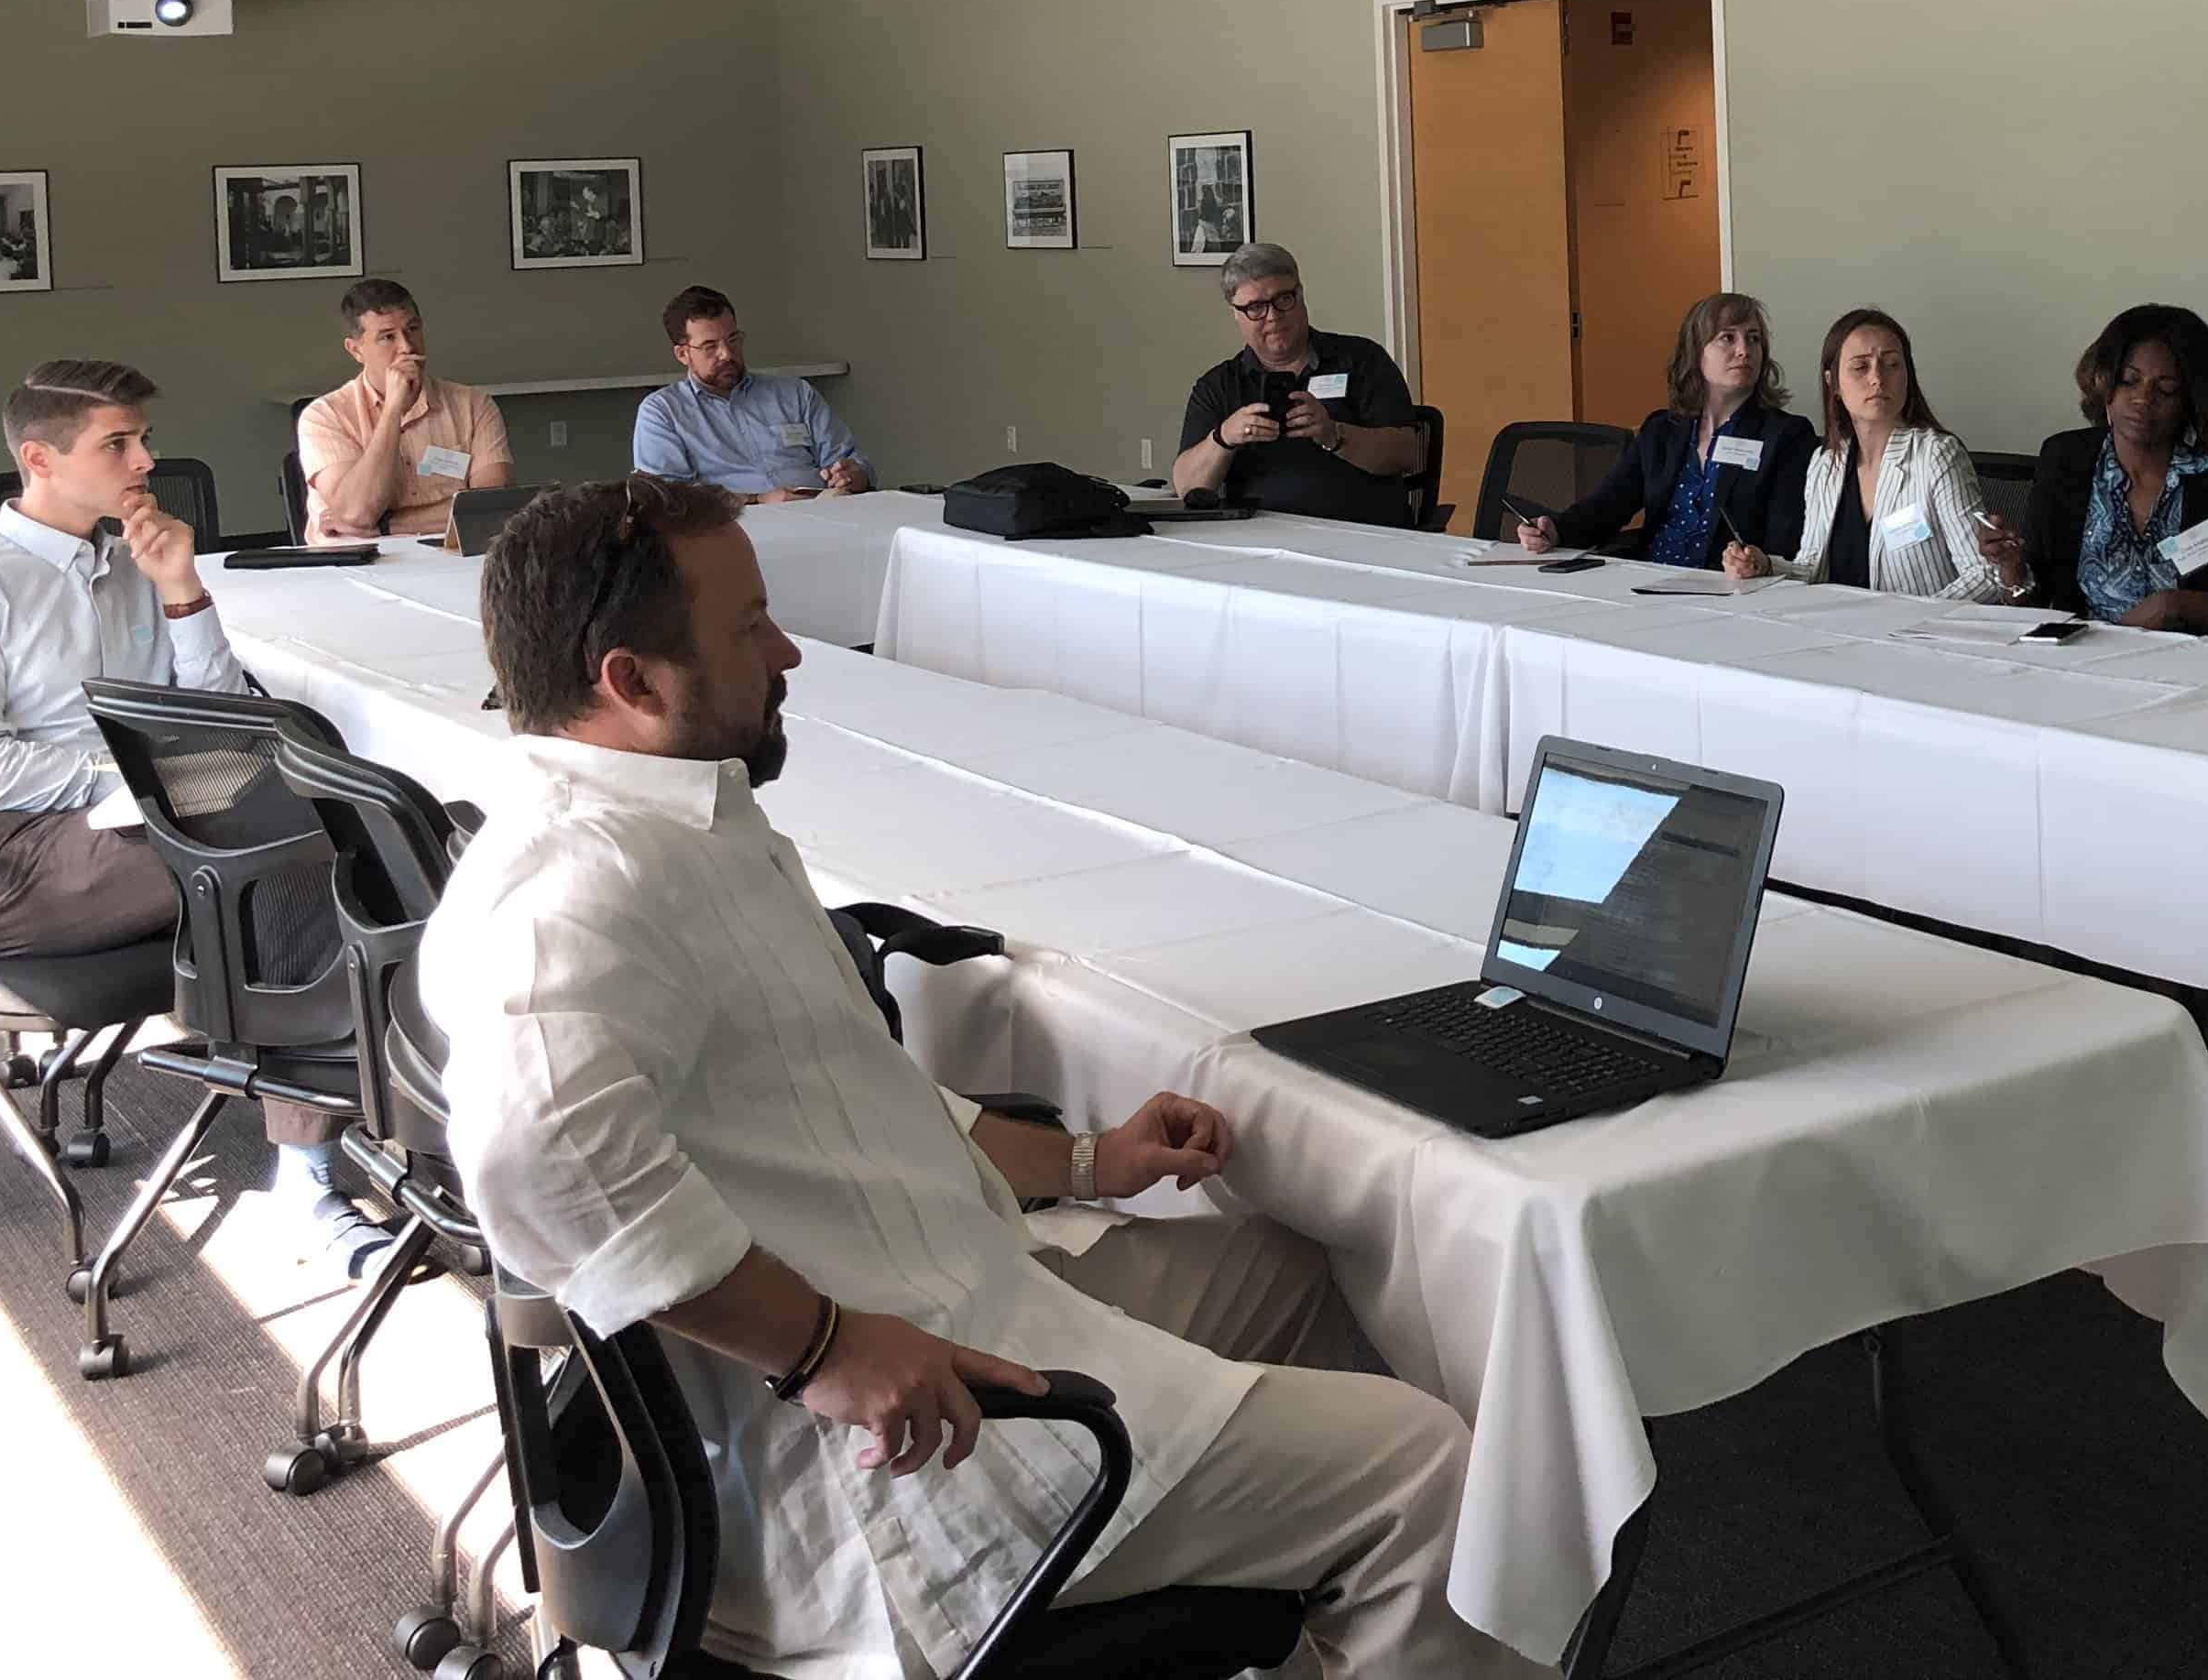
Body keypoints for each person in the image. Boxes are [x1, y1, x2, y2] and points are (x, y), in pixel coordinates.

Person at [421, 479, 1539, 1680]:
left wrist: (1088, 1163)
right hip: (910, 1457)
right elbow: (530, 1156)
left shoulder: (663, 824)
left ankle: (1307, 1606)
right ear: (632, 682)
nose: (789, 651)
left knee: (1312, 1270)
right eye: (750, 628)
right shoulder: (582, 890)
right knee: (1429, 1478)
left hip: (962, 1293)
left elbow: (843, 1104)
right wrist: (825, 1349)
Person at [0, 357, 381, 1260]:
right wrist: (141, 778)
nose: (147, 460)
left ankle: (363, 1107)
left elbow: (215, 717)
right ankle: (308, 1177)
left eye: (143, 439)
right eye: (117, 443)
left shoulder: (131, 566)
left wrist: (181, 589)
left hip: (125, 823)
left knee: (339, 822)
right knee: (295, 860)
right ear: (40, 459)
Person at [2026, 305, 2208, 638]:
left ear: (2193, 399)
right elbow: (2036, 596)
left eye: (2166, 388)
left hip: (2195, 657)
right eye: (2128, 381)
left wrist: (2181, 606)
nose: (2143, 399)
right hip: (2082, 656)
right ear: (2103, 384)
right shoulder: (2065, 458)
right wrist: (2013, 572)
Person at [1736, 309, 2023, 600]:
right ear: (1833, 383)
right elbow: (1813, 567)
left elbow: (1983, 574)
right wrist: (1767, 566)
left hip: (1921, 627)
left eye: (1892, 365)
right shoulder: (1825, 463)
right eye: (1861, 367)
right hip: (1839, 624)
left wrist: (1915, 618)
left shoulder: (1936, 455)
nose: (1877, 378)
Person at [1518, 292, 1814, 569]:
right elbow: (1608, 505)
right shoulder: (1661, 430)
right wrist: (1555, 530)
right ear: (1696, 351)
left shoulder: (1787, 435)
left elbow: (1787, 537)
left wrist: (1761, 562)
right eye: (1727, 338)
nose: (1744, 351)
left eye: (1753, 339)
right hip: (1649, 577)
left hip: (1727, 587)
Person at [1171, 245, 1427, 527]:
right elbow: (1188, 487)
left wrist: (1334, 434)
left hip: (1364, 533)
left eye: (1283, 299)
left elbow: (1405, 454)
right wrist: (1224, 438)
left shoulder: (1363, 359)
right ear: (1236, 314)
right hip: (1259, 537)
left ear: (1301, 296)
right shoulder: (1218, 385)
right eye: (1256, 308)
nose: (1273, 316)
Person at [297, 277, 509, 543]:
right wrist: (393, 410)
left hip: (448, 555)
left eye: (413, 329)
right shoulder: (323, 416)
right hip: (356, 560)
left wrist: (388, 525)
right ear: (356, 350)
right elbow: (356, 514)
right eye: (388, 337)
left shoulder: (474, 405)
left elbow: (489, 509)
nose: (407, 347)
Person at [635, 284, 869, 500]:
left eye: (733, 340)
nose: (727, 354)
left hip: (823, 510)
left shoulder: (796, 393)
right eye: (710, 346)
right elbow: (667, 500)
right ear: (683, 354)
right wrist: (757, 500)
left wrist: (854, 475)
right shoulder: (663, 412)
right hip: (733, 524)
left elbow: (851, 461)